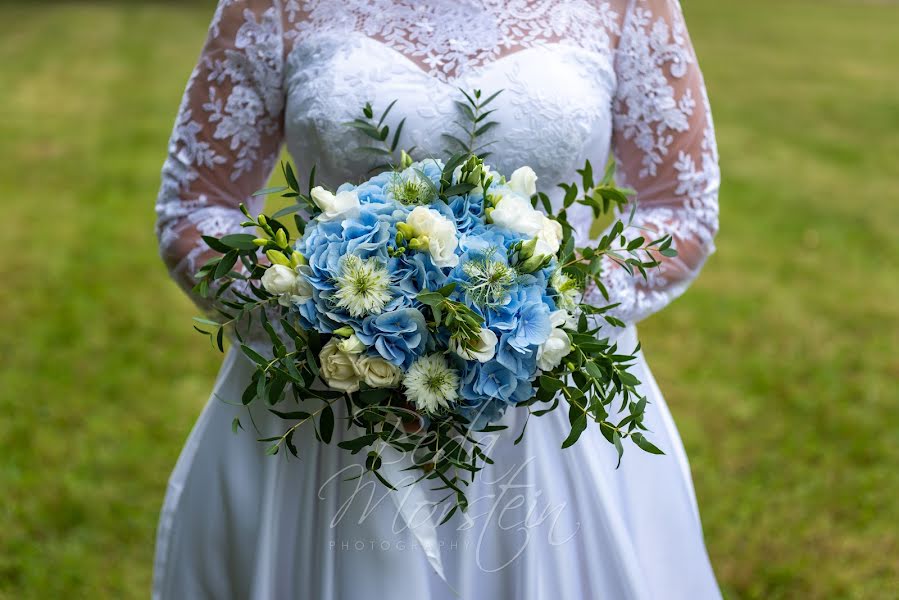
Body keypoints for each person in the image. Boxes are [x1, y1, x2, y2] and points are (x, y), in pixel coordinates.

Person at [153, 1, 722, 597]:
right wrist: (313, 309)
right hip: (330, 394)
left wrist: (550, 303)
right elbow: (196, 210)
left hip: (546, 398)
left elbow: (677, 208)